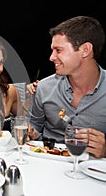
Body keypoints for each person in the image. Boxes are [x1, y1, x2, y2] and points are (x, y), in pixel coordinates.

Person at [28, 16, 106, 158]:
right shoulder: (44, 88)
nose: (51, 57)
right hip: (48, 164)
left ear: (85, 50)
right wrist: (30, 134)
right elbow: (33, 129)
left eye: (58, 50)